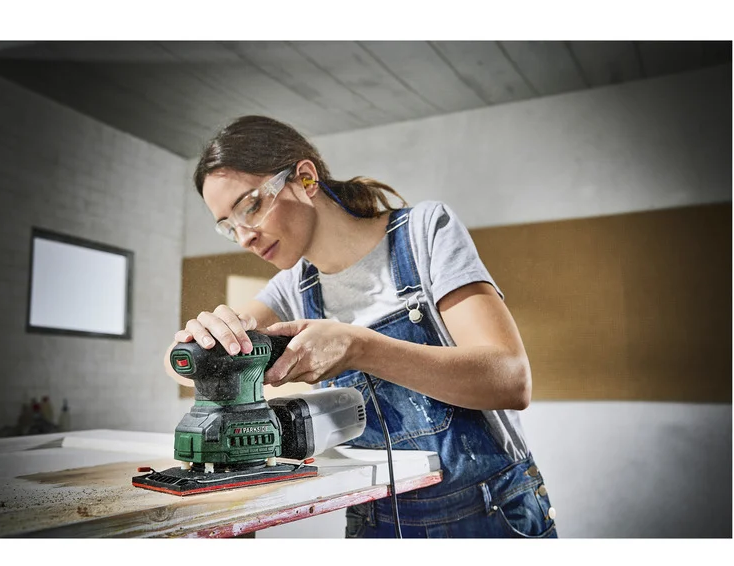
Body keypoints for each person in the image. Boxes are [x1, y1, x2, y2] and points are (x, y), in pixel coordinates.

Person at [165, 115, 558, 539]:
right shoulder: (292, 288)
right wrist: (201, 340)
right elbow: (179, 366)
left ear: (306, 178)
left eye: (251, 207)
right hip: (375, 522)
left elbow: (511, 379)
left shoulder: (424, 233)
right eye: (229, 225)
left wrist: (358, 347)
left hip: (491, 513)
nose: (244, 237)